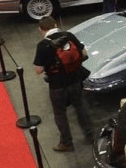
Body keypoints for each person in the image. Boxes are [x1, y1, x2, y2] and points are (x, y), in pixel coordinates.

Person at [33, 16, 94, 152]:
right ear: (55, 24)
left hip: (57, 85)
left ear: (40, 29)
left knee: (60, 113)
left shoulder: (43, 45)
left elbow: (39, 70)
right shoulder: (69, 36)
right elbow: (83, 54)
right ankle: (90, 136)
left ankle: (66, 143)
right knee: (80, 106)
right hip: (75, 80)